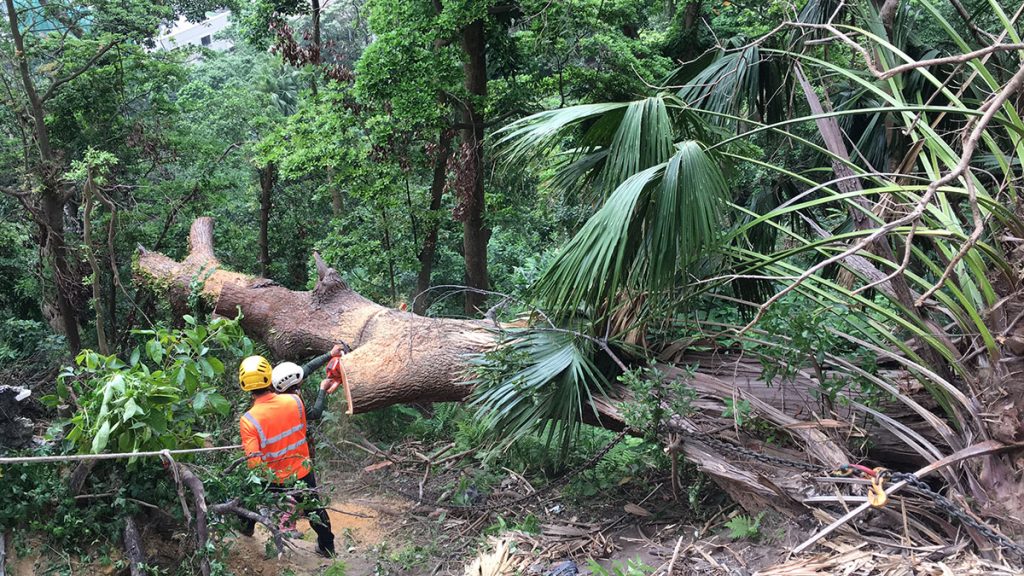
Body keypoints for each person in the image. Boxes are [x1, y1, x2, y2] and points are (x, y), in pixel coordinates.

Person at [237, 354, 336, 557]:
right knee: (314, 508)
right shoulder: (295, 402)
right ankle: (327, 547)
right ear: (269, 377)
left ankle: (247, 527)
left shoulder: (248, 421)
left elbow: (254, 464)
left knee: (248, 496)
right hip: (301, 471)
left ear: (244, 386)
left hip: (272, 477)